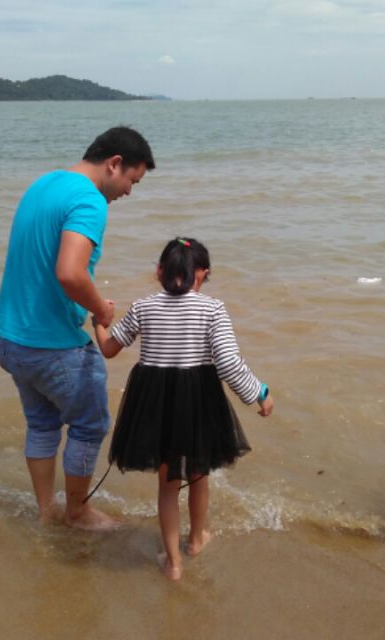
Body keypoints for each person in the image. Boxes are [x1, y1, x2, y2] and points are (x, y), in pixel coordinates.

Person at [0, 126, 155, 531]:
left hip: (11, 339)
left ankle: (46, 510)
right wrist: (100, 309)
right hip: (51, 346)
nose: (128, 192)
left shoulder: (44, 183)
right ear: (114, 163)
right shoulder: (89, 199)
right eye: (132, 181)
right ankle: (78, 513)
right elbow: (69, 273)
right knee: (90, 425)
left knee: (42, 424)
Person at [93, 237, 274, 578]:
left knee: (168, 484)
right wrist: (259, 393)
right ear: (202, 274)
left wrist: (99, 323)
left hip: (154, 404)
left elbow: (109, 349)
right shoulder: (213, 309)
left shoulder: (143, 307)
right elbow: (228, 364)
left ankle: (173, 563)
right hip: (199, 401)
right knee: (198, 474)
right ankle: (196, 540)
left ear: (159, 271)